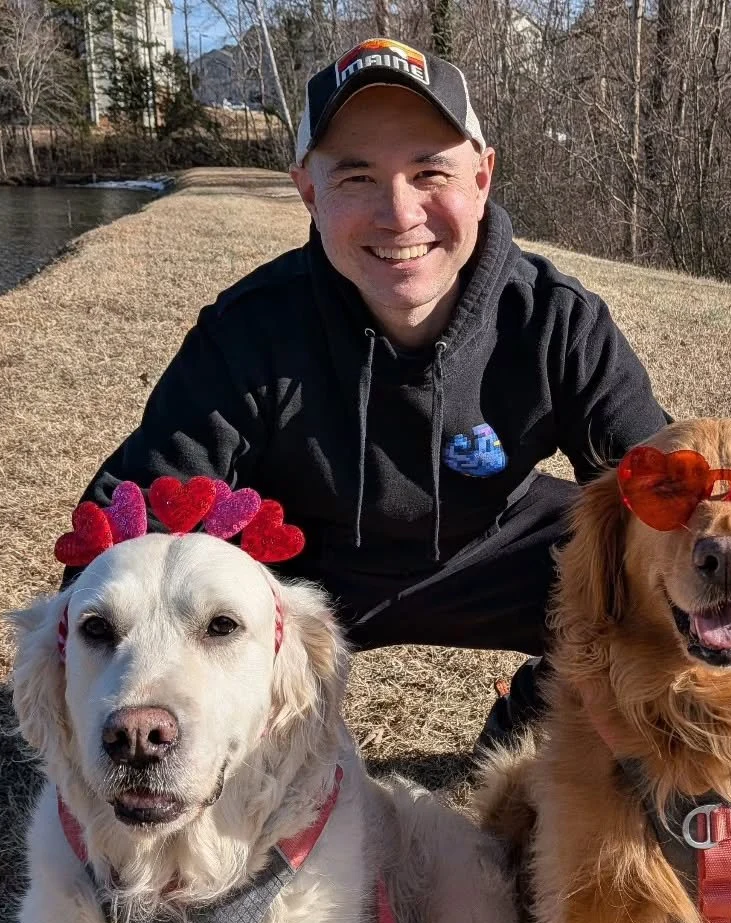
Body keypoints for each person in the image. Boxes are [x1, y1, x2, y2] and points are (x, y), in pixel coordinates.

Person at [71, 36, 667, 750]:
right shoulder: (250, 329)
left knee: (651, 573)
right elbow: (127, 527)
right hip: (303, 566)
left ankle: (536, 721)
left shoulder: (556, 319)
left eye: (430, 172)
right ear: (307, 191)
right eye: (356, 178)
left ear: (482, 178)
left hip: (497, 551)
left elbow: (664, 494)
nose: (399, 212)